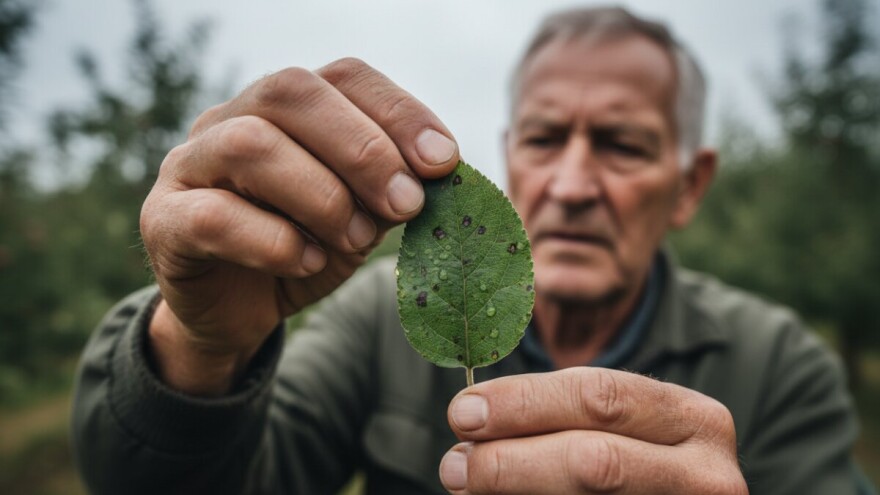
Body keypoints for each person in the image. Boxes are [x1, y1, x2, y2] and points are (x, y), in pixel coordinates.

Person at [71, 6, 869, 495]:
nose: (572, 183)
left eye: (622, 145)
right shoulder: (375, 320)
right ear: (509, 155)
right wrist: (203, 346)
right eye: (545, 138)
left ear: (689, 185)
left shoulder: (778, 366)